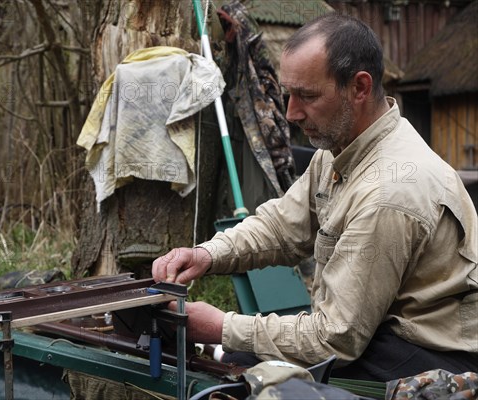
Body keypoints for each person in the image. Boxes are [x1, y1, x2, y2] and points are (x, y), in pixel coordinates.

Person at [152, 13, 478, 381]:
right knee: (247, 356)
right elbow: (282, 226)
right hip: (374, 333)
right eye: (289, 93)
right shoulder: (342, 146)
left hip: (430, 358)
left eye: (307, 95)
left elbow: (335, 339)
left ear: (359, 88)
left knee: (252, 376)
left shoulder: (389, 193)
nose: (291, 112)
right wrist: (207, 254)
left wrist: (221, 327)